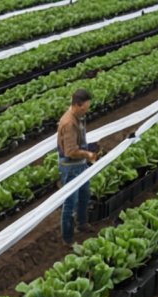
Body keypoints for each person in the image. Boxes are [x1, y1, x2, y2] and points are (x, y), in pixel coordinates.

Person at [57, 89, 99, 245]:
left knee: (84, 194)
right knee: (70, 201)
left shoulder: (78, 117)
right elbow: (71, 151)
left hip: (80, 165)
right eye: (84, 108)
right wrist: (88, 155)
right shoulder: (69, 123)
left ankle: (82, 223)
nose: (86, 110)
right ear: (76, 105)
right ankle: (67, 238)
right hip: (70, 167)